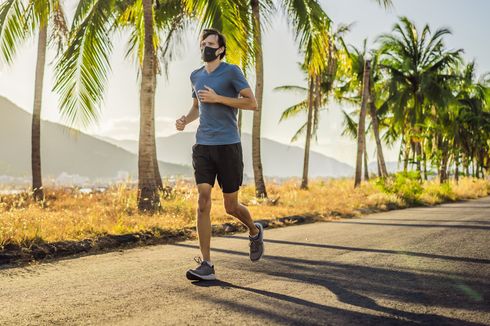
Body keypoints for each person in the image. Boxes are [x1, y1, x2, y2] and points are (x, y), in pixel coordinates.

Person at [175, 28, 264, 281]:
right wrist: (185, 119)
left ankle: (254, 230)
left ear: (221, 49)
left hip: (228, 146)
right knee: (203, 200)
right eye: (203, 43)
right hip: (203, 145)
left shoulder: (232, 72)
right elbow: (197, 107)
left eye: (211, 43)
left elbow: (252, 103)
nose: (206, 46)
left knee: (231, 206)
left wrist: (220, 98)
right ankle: (207, 264)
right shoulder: (195, 75)